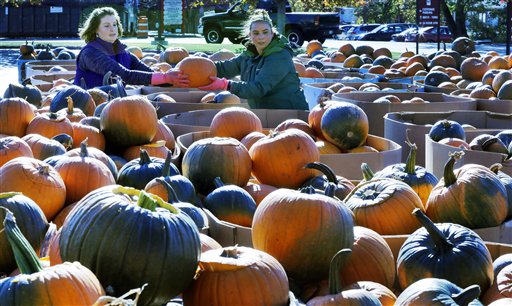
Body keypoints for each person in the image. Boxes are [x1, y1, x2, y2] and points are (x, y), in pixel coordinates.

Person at [198, 9, 308, 110]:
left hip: (290, 113)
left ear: (272, 33)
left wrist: (226, 84)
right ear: (250, 35)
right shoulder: (249, 55)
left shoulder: (280, 56)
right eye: (256, 33)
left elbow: (258, 88)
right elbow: (224, 68)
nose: (261, 37)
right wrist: (197, 69)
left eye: (265, 32)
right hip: (265, 113)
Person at [73, 7, 189, 89]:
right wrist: (164, 77)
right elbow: (124, 75)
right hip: (87, 105)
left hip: (112, 104)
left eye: (114, 24)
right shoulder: (90, 53)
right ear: (95, 30)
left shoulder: (123, 52)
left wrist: (174, 81)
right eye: (106, 26)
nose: (112, 29)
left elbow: (147, 72)